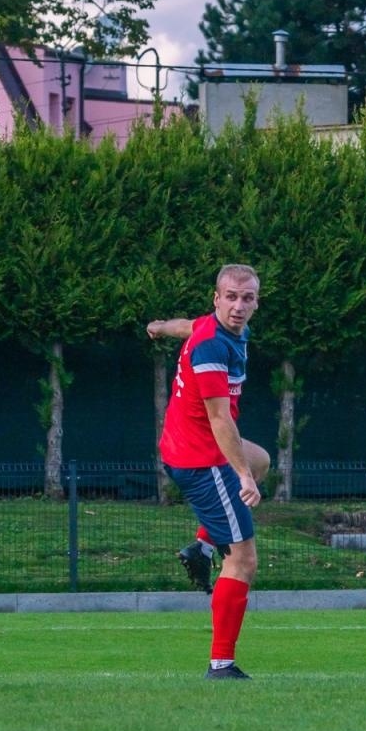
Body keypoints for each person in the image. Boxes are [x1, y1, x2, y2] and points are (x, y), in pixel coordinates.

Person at [147, 263, 270, 680]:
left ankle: (201, 548)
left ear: (256, 301)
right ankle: (221, 664)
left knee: (262, 459)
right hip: (202, 458)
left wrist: (160, 326)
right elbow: (220, 420)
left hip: (188, 448)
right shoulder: (212, 348)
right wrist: (243, 477)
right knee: (243, 559)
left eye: (247, 298)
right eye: (230, 297)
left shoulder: (217, 328)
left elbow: (186, 325)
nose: (238, 306)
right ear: (216, 298)